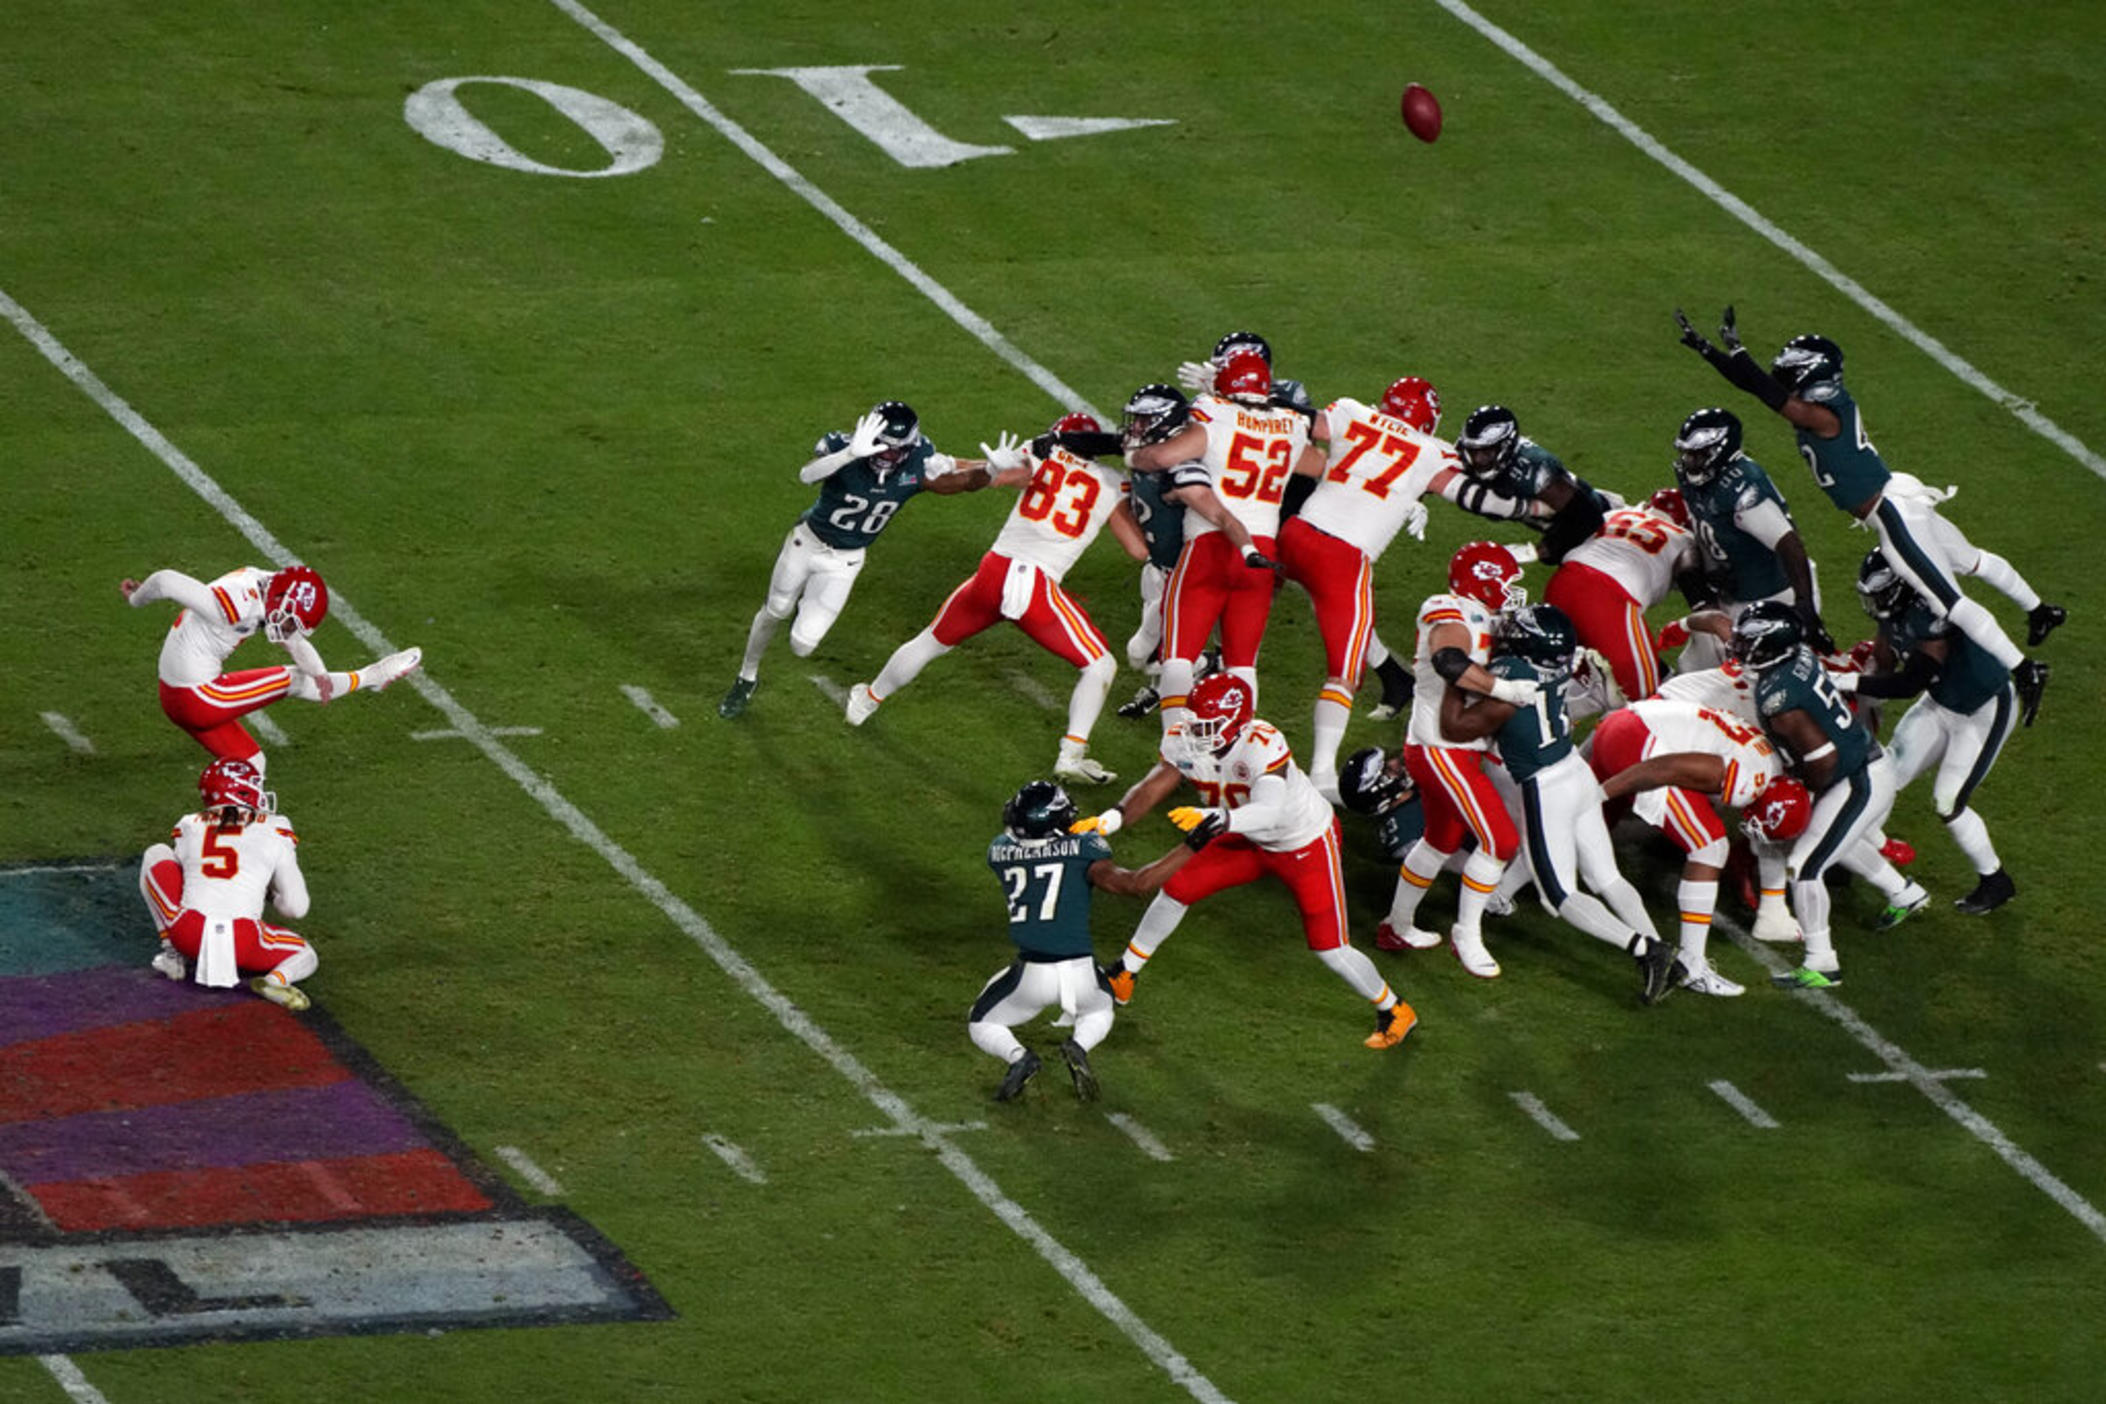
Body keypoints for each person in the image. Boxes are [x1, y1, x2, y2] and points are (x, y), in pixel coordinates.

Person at [1673, 308, 2052, 725]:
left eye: (1790, 369)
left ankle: (2023, 669)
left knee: (1948, 600)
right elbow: (1767, 391)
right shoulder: (1824, 405)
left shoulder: (1822, 414)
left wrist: (1733, 351)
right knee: (1970, 560)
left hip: (1889, 512)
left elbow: (1769, 394)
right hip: (1895, 495)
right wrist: (1714, 351)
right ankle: (2039, 610)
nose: (1782, 373)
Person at [1073, 673, 1417, 1051]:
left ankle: (1394, 1008)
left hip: (1302, 843)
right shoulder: (1188, 739)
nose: (1194, 731)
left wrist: (1221, 821)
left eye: (1206, 724)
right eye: (1194, 720)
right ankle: (1126, 973)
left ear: (1235, 723)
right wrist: (1113, 818)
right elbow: (1156, 783)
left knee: (1330, 948)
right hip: (1242, 830)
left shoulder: (1261, 744)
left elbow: (1268, 811)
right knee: (1177, 888)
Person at [846, 413, 1141, 785]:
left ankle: (867, 700)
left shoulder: (1044, 451)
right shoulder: (1113, 483)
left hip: (994, 572)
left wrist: (980, 464)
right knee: (1100, 665)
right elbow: (1137, 549)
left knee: (931, 640)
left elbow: (1000, 476)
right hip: (1036, 584)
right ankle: (1072, 754)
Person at [1437, 605, 1684, 1002]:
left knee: (1559, 896)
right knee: (1607, 878)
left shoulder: (1510, 679)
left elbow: (1454, 727)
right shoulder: (1556, 666)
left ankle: (1647, 950)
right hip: (1576, 771)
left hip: (1545, 787)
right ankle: (1668, 956)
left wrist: (1454, 683)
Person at [720, 401, 1004, 718]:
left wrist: (989, 471)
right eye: (881, 446)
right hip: (807, 543)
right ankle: (747, 676)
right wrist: (849, 455)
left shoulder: (919, 461)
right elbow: (805, 475)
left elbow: (961, 482)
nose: (885, 456)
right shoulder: (846, 447)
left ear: (908, 448)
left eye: (894, 451)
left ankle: (807, 599)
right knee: (775, 609)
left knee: (803, 645)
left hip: (845, 561)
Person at [973, 779, 1221, 1101]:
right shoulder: (1084, 848)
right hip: (1081, 972)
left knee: (980, 1022)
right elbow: (1136, 884)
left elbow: (1039, 849)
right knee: (1101, 1010)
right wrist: (1191, 845)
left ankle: (1020, 1058)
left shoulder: (999, 852)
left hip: (1031, 974)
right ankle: (1078, 1045)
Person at [1283, 377, 1455, 800]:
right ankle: (1322, 774)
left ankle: (1175, 655)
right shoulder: (1434, 451)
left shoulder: (1352, 409)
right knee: (1344, 670)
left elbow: (1308, 427)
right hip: (1343, 557)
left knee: (1240, 596)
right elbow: (1467, 484)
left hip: (1294, 533)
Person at [1732, 602, 1919, 989]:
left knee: (1805, 866)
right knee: (1834, 842)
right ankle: (1904, 893)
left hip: (1855, 779)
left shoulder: (1778, 699)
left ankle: (1822, 962)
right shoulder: (1796, 655)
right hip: (1861, 766)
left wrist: (1800, 791)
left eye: (1750, 641)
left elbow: (1822, 758)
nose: (1740, 646)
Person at [1374, 542, 1541, 976]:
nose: (1510, 591)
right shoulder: (1448, 609)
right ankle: (1466, 935)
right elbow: (1449, 660)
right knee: (1500, 841)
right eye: (1504, 582)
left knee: (1440, 840)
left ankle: (1397, 925)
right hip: (1442, 750)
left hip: (1445, 747)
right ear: (1483, 580)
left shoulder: (1477, 612)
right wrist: (1505, 692)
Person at [1594, 697, 1814, 994]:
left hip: (1624, 722)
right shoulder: (1751, 781)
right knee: (1710, 847)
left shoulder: (1771, 766)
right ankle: (1692, 966)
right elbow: (1668, 767)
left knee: (1578, 829)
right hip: (1640, 742)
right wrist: (1601, 793)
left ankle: (1513, 883)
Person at [1120, 367, 1296, 736]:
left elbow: (1208, 504)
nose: (1135, 428)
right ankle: (1239, 740)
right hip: (1261, 548)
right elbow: (1318, 463)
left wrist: (1134, 459)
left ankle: (1174, 745)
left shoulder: (1194, 445)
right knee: (1243, 663)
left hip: (1208, 549)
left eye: (1145, 421)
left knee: (1175, 656)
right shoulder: (1289, 424)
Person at [1842, 551, 2020, 914]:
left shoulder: (1933, 611)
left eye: (1880, 592)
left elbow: (1910, 682)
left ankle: (1995, 880)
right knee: (1885, 773)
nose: (1874, 600)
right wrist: (1873, 667)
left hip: (1982, 708)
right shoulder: (1896, 607)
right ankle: (1849, 851)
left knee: (1948, 801)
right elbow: (1886, 648)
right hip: (1941, 701)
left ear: (1900, 588)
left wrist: (1844, 680)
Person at [120, 565, 421, 774]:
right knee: (292, 678)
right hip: (197, 697)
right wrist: (137, 598)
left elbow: (293, 640)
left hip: (175, 695)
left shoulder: (270, 589)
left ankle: (221, 844)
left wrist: (321, 675)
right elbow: (166, 581)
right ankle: (371, 677)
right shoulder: (238, 602)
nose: (288, 629)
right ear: (279, 599)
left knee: (251, 766)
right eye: (290, 621)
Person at [138, 758, 319, 1010]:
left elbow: (180, 873)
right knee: (306, 954)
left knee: (156, 853)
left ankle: (171, 954)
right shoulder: (276, 828)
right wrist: (270, 894)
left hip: (187, 932)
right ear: (242, 790)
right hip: (243, 940)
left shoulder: (190, 824)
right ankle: (275, 980)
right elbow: (296, 908)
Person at [1661, 406, 1829, 663]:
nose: (1689, 462)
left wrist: (1804, 606)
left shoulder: (1741, 486)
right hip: (1732, 595)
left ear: (1721, 451)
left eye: (1698, 454)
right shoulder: (1693, 479)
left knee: (1753, 680)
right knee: (1692, 667)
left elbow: (1788, 544)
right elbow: (1704, 527)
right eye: (1687, 454)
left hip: (1774, 597)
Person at [1542, 497, 1702, 704]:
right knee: (1647, 701)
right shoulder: (1685, 538)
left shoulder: (1615, 515)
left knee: (1561, 676)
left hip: (1562, 583)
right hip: (1607, 597)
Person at [1444, 404, 1612, 565]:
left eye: (1486, 452)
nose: (1478, 460)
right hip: (1571, 517)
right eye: (1473, 451)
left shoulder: (1534, 469)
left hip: (1608, 525)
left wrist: (1536, 552)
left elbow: (1589, 518)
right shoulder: (1463, 453)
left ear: (1506, 446)